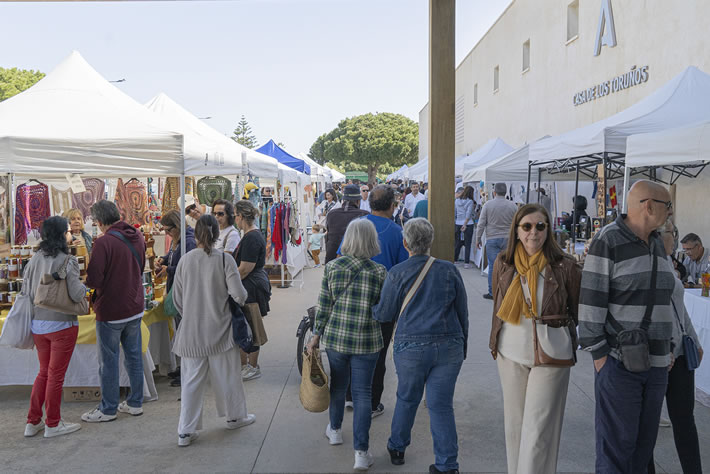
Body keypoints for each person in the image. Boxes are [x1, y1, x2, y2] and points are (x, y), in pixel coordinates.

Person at [578, 180, 676, 473]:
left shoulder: (657, 242)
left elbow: (663, 298)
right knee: (616, 450)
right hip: (619, 365)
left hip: (657, 365)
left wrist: (669, 346)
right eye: (667, 206)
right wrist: (600, 357)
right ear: (648, 206)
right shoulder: (609, 240)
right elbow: (591, 302)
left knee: (643, 449)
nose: (670, 213)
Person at [490, 204, 581, 473]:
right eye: (527, 226)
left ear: (548, 230)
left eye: (540, 226)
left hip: (552, 354)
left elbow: (577, 309)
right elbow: (497, 304)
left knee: (539, 429)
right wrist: (494, 343)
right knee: (516, 426)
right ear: (517, 231)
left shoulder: (565, 266)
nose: (534, 233)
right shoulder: (503, 262)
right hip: (510, 351)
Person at [373, 218, 468, 474]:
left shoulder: (397, 273)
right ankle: (447, 464)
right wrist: (463, 347)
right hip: (449, 346)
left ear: (405, 243)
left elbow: (384, 314)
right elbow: (462, 312)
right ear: (431, 241)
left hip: (411, 347)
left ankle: (397, 447)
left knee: (407, 398)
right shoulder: (449, 270)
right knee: (441, 405)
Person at [307, 219, 386, 471]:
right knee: (363, 394)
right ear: (372, 241)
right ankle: (361, 453)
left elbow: (324, 305)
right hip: (367, 341)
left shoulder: (332, 267)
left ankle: (336, 431)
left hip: (337, 339)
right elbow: (383, 311)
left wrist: (316, 335)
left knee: (339, 386)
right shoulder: (380, 272)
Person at [171, 215, 255, 447]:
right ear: (217, 234)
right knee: (228, 377)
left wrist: (191, 312)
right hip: (221, 329)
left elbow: (177, 300)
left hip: (191, 332)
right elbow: (239, 295)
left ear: (196, 234)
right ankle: (235, 416)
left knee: (191, 382)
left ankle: (185, 432)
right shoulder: (224, 260)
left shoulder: (185, 261)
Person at [82, 200, 147, 423]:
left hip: (112, 309)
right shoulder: (137, 235)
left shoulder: (103, 243)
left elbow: (94, 279)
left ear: (100, 222)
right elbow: (140, 266)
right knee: (134, 357)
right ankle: (135, 402)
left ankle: (108, 408)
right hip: (134, 305)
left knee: (108, 361)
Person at [22, 216, 86, 438]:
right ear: (61, 234)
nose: (71, 233)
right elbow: (76, 293)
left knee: (44, 373)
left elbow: (27, 291)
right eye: (68, 230)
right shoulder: (66, 260)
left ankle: (33, 422)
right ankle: (52, 423)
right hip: (62, 324)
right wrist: (86, 287)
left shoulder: (34, 258)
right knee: (56, 376)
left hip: (38, 324)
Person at [648, 221, 704, 474]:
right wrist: (662, 347)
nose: (676, 239)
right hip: (657, 356)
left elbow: (679, 308)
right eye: (673, 234)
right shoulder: (645, 264)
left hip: (680, 354)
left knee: (684, 421)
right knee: (647, 424)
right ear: (658, 237)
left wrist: (693, 338)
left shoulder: (670, 265)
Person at [356, 185, 409, 416]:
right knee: (378, 352)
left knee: (354, 348)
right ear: (392, 205)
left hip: (354, 298)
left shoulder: (356, 226)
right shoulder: (396, 231)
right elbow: (402, 270)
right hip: (384, 301)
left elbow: (341, 256)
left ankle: (351, 395)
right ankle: (372, 402)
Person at [155, 210, 197, 387]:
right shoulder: (178, 239)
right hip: (178, 290)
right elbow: (174, 258)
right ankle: (184, 367)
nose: (166, 233)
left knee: (186, 333)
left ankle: (188, 370)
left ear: (177, 226)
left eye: (168, 230)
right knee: (181, 330)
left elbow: (187, 267)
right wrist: (163, 260)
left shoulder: (188, 241)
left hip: (185, 292)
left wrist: (168, 269)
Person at [233, 200, 272, 381]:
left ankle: (252, 366)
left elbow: (245, 269)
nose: (235, 219)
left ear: (241, 216)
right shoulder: (251, 235)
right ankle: (248, 365)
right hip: (253, 285)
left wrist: (229, 284)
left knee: (251, 327)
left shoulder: (251, 237)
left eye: (235, 216)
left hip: (252, 287)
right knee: (249, 325)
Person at [476, 182, 518, 299]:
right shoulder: (513, 206)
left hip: (492, 238)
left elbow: (481, 224)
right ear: (506, 192)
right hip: (508, 239)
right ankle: (507, 291)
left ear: (494, 192)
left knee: (493, 266)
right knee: (508, 265)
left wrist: (478, 239)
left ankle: (492, 292)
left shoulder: (488, 205)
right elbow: (517, 224)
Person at [324, 184, 369, 264]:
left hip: (332, 259)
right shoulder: (365, 215)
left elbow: (328, 236)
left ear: (343, 200)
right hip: (357, 261)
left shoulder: (332, 214)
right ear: (358, 201)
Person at [454, 185, 475, 268]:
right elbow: (468, 214)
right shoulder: (470, 201)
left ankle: (455, 259)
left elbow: (455, 213)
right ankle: (466, 262)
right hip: (468, 224)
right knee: (468, 243)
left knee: (457, 243)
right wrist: (465, 224)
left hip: (458, 222)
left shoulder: (457, 201)